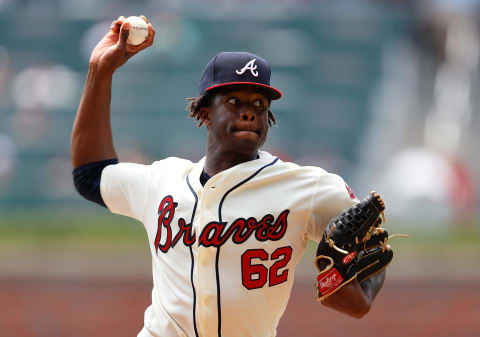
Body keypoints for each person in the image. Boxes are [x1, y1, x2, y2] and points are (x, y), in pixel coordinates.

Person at [71, 16, 386, 337]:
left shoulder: (309, 187)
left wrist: (343, 283)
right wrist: (100, 70)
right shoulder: (163, 180)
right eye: (234, 101)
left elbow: (367, 265)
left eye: (259, 104)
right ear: (205, 112)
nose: (248, 111)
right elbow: (90, 176)